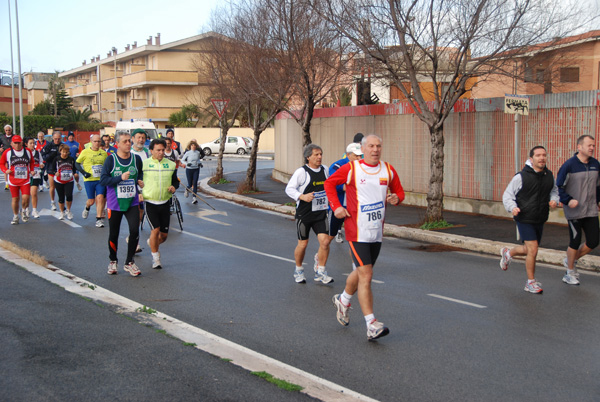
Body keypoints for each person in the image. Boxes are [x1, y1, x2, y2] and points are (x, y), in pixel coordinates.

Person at [324, 134, 404, 341]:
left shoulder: (388, 169)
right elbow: (329, 184)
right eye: (371, 146)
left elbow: (399, 193)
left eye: (378, 146)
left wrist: (396, 199)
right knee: (366, 275)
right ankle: (371, 324)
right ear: (363, 148)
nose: (375, 149)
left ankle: (343, 300)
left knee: (361, 273)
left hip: (376, 231)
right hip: (355, 230)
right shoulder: (352, 168)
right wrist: (337, 207)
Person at [500, 146, 559, 294]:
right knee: (533, 249)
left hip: (540, 217)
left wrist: (554, 200)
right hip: (524, 217)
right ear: (531, 159)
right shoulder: (521, 177)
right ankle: (530, 282)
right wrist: (512, 207)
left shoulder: (549, 175)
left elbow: (554, 191)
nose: (542, 158)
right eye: (538, 155)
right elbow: (507, 195)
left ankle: (508, 253)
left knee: (529, 250)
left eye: (544, 155)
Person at [285, 144, 334, 285]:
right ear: (308, 157)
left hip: (320, 213)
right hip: (305, 214)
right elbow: (289, 189)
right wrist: (302, 196)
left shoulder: (325, 169)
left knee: (325, 242)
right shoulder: (302, 172)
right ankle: (298, 270)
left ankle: (321, 271)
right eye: (316, 155)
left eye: (320, 154)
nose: (319, 157)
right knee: (303, 244)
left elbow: (329, 185)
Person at [556, 134, 600, 286]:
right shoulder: (569, 165)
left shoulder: (596, 164)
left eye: (593, 145)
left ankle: (570, 260)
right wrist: (568, 200)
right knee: (575, 241)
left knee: (594, 241)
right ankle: (569, 272)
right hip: (574, 211)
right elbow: (559, 187)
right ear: (579, 147)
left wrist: (598, 200)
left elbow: (598, 185)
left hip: (591, 209)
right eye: (589, 145)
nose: (592, 148)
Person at [99, 131, 144, 277]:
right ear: (117, 143)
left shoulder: (136, 159)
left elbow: (140, 174)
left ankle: (129, 262)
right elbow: (104, 180)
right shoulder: (111, 160)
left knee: (134, 231)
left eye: (129, 141)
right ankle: (113, 261)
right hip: (115, 203)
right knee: (114, 233)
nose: (128, 144)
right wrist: (119, 178)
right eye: (124, 141)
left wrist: (140, 181)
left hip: (132, 201)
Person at [142, 138, 179, 269]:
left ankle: (152, 243)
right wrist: (139, 192)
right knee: (155, 230)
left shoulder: (170, 165)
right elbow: (137, 180)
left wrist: (174, 187)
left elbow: (175, 181)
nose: (161, 152)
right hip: (150, 201)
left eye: (163, 150)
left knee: (163, 236)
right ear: (151, 151)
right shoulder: (144, 164)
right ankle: (156, 259)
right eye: (158, 150)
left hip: (164, 202)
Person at [329, 143, 364, 243]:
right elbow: (331, 182)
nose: (358, 158)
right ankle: (320, 255)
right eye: (355, 155)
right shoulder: (338, 165)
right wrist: (345, 187)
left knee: (356, 239)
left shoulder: (363, 166)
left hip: (354, 208)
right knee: (328, 238)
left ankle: (356, 258)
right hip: (339, 206)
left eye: (360, 156)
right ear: (348, 155)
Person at [0, 135, 34, 224]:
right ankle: (15, 216)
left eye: (19, 143)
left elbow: (32, 162)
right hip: (13, 179)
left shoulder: (27, 151)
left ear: (22, 143)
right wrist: (5, 170)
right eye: (15, 143)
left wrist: (32, 170)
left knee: (26, 198)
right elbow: (2, 163)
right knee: (15, 199)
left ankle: (23, 211)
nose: (17, 145)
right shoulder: (7, 152)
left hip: (25, 179)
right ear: (11, 143)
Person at [75, 134, 108, 227]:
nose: (97, 143)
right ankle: (87, 207)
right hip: (89, 180)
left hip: (100, 180)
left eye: (98, 141)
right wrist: (83, 172)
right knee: (91, 201)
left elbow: (106, 166)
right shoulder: (85, 152)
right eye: (95, 141)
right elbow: (77, 163)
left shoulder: (104, 153)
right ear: (91, 142)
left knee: (100, 197)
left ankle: (99, 219)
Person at [129, 129, 151, 253]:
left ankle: (132, 238)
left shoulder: (147, 152)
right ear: (133, 138)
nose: (141, 140)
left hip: (144, 188)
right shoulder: (129, 152)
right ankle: (134, 242)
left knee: (140, 214)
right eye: (138, 137)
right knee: (134, 214)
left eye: (143, 137)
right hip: (131, 188)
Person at [49, 144, 78, 220]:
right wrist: (55, 172)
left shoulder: (71, 159)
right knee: (61, 197)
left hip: (69, 180)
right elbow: (52, 168)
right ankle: (62, 212)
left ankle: (68, 210)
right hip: (59, 181)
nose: (65, 154)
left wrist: (75, 173)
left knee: (69, 195)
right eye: (63, 152)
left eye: (66, 152)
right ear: (60, 151)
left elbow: (74, 168)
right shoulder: (57, 159)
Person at [42, 132, 63, 211]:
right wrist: (51, 155)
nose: (57, 140)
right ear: (52, 138)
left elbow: (68, 155)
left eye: (58, 139)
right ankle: (52, 202)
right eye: (55, 139)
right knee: (52, 186)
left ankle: (61, 202)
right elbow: (43, 156)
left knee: (61, 187)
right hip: (51, 168)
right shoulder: (48, 146)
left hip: (61, 169)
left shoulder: (62, 146)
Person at [180, 140, 205, 204]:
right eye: (192, 145)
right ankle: (187, 189)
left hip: (196, 169)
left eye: (194, 145)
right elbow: (182, 160)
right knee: (190, 184)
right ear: (190, 146)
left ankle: (194, 198)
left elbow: (198, 160)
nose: (193, 146)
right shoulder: (188, 153)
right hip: (189, 169)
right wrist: (186, 163)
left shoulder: (197, 153)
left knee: (195, 183)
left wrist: (200, 164)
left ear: (196, 146)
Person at [26, 137, 44, 219]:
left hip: (36, 175)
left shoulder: (37, 152)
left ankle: (34, 210)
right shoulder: (24, 153)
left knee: (33, 193)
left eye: (33, 143)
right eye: (31, 143)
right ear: (26, 144)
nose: (33, 144)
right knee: (26, 195)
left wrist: (41, 165)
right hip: (26, 176)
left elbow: (41, 161)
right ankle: (26, 209)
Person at [1, 124, 14, 191]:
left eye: (9, 130)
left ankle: (13, 182)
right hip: (5, 154)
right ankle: (6, 183)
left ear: (11, 130)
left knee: (12, 168)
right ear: (4, 130)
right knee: (6, 168)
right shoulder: (2, 137)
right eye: (6, 130)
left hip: (13, 154)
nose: (8, 131)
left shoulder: (14, 136)